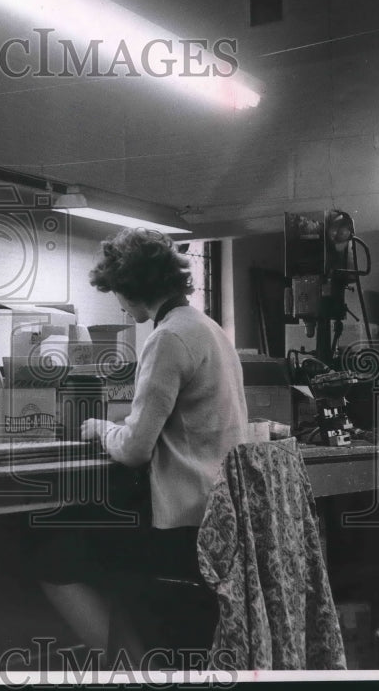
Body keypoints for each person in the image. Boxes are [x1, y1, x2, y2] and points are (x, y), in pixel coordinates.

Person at [38, 227, 247, 664]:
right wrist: (127, 426)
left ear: (132, 289)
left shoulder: (167, 337)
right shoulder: (208, 329)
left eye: (117, 291)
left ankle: (132, 669)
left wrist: (100, 428)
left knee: (52, 553)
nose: (116, 301)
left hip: (182, 526)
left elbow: (134, 450)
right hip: (216, 517)